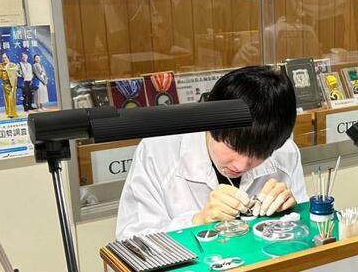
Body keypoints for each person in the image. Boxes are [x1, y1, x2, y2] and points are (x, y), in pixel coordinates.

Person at [116, 66, 308, 239]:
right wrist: (197, 221)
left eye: (260, 154)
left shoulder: (284, 152)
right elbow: (131, 244)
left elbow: (302, 238)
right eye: (233, 146)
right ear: (210, 122)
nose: (241, 165)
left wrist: (292, 214)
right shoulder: (158, 151)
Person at [0, 52, 19, 119]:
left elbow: (15, 69)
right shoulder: (1, 65)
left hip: (11, 84)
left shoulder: (12, 64)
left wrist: (6, 69)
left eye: (5, 58)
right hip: (5, 84)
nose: (4, 59)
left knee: (11, 98)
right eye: (3, 58)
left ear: (8, 58)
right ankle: (9, 113)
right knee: (6, 99)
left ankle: (13, 113)